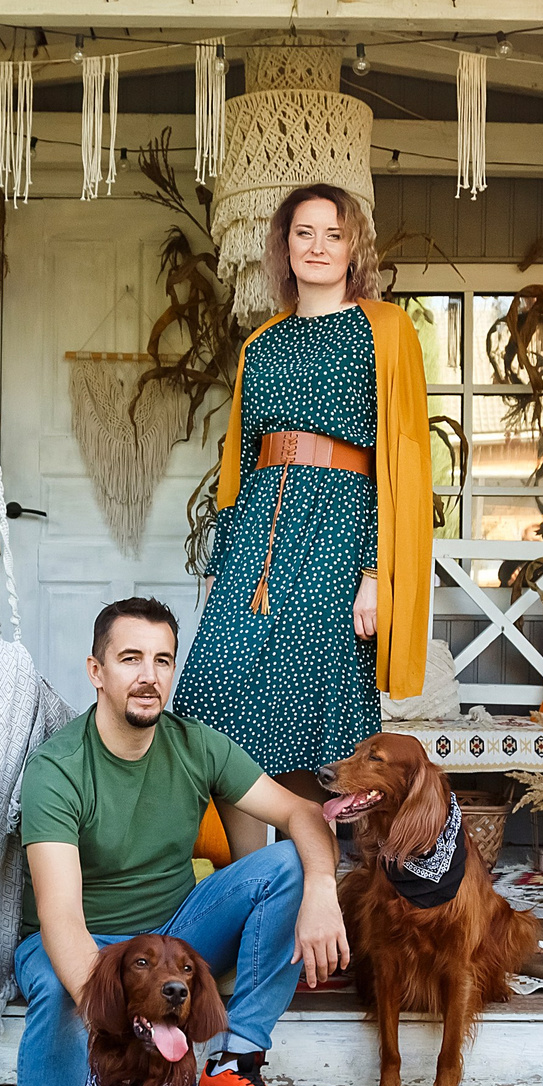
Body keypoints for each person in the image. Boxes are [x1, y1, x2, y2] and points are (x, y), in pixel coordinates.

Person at [0, 597, 350, 1086]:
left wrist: (323, 888)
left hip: (172, 936)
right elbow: (61, 919)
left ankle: (237, 1061)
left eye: (161, 660)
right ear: (96, 671)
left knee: (284, 869)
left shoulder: (195, 743)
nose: (148, 676)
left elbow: (302, 812)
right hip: (82, 942)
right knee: (62, 1000)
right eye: (129, 659)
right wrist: (124, 1010)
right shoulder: (58, 770)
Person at [173, 184, 434, 855]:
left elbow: (397, 458)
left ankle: (318, 884)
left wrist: (376, 573)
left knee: (314, 704)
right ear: (284, 247)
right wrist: (219, 567)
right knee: (214, 686)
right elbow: (238, 460)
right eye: (303, 233)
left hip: (340, 530)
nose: (317, 247)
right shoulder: (260, 344)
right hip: (259, 532)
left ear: (354, 248)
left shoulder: (384, 329)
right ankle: (251, 876)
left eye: (333, 234)